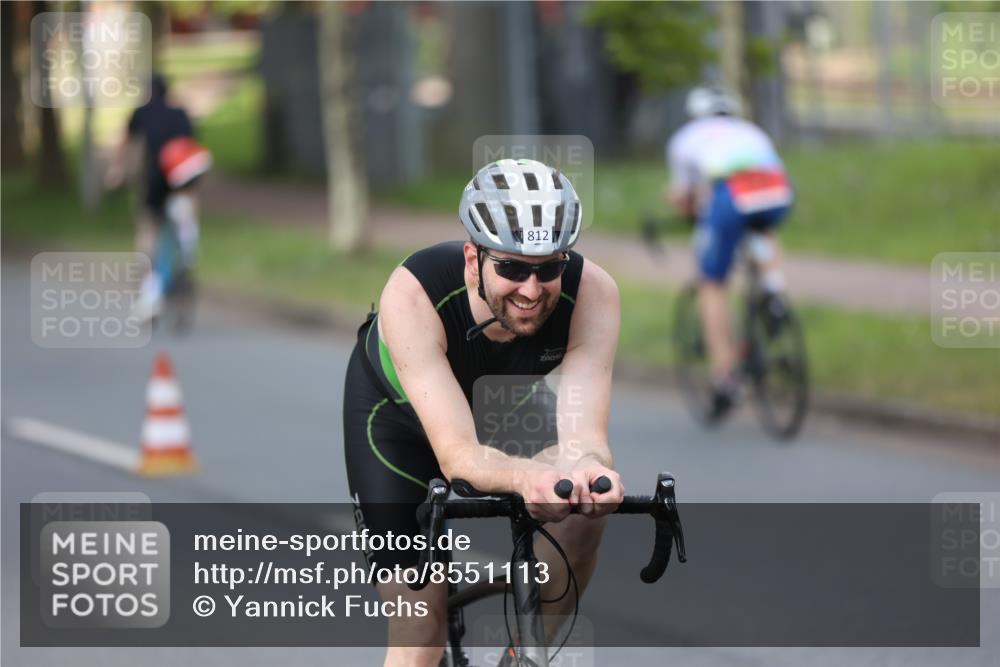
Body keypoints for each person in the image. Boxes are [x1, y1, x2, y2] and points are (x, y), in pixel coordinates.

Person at [343, 158, 625, 666]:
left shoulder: (594, 293)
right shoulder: (413, 293)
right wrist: (530, 478)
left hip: (502, 406)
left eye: (549, 268)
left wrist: (585, 471)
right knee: (419, 629)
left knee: (585, 515)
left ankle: (526, 656)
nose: (531, 290)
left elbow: (584, 434)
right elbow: (458, 456)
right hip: (397, 423)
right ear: (473, 258)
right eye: (512, 267)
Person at [666, 85, 794, 418]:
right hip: (776, 186)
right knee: (762, 229)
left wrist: (686, 211)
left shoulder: (685, 138)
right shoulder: (751, 130)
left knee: (712, 284)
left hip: (731, 193)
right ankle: (773, 288)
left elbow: (686, 196)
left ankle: (725, 376)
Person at [106, 74, 206, 320]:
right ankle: (187, 240)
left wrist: (117, 172)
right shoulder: (181, 113)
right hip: (183, 175)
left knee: (148, 229)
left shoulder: (141, 113)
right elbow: (192, 146)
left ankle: (149, 292)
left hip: (156, 178)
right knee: (187, 202)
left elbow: (126, 145)